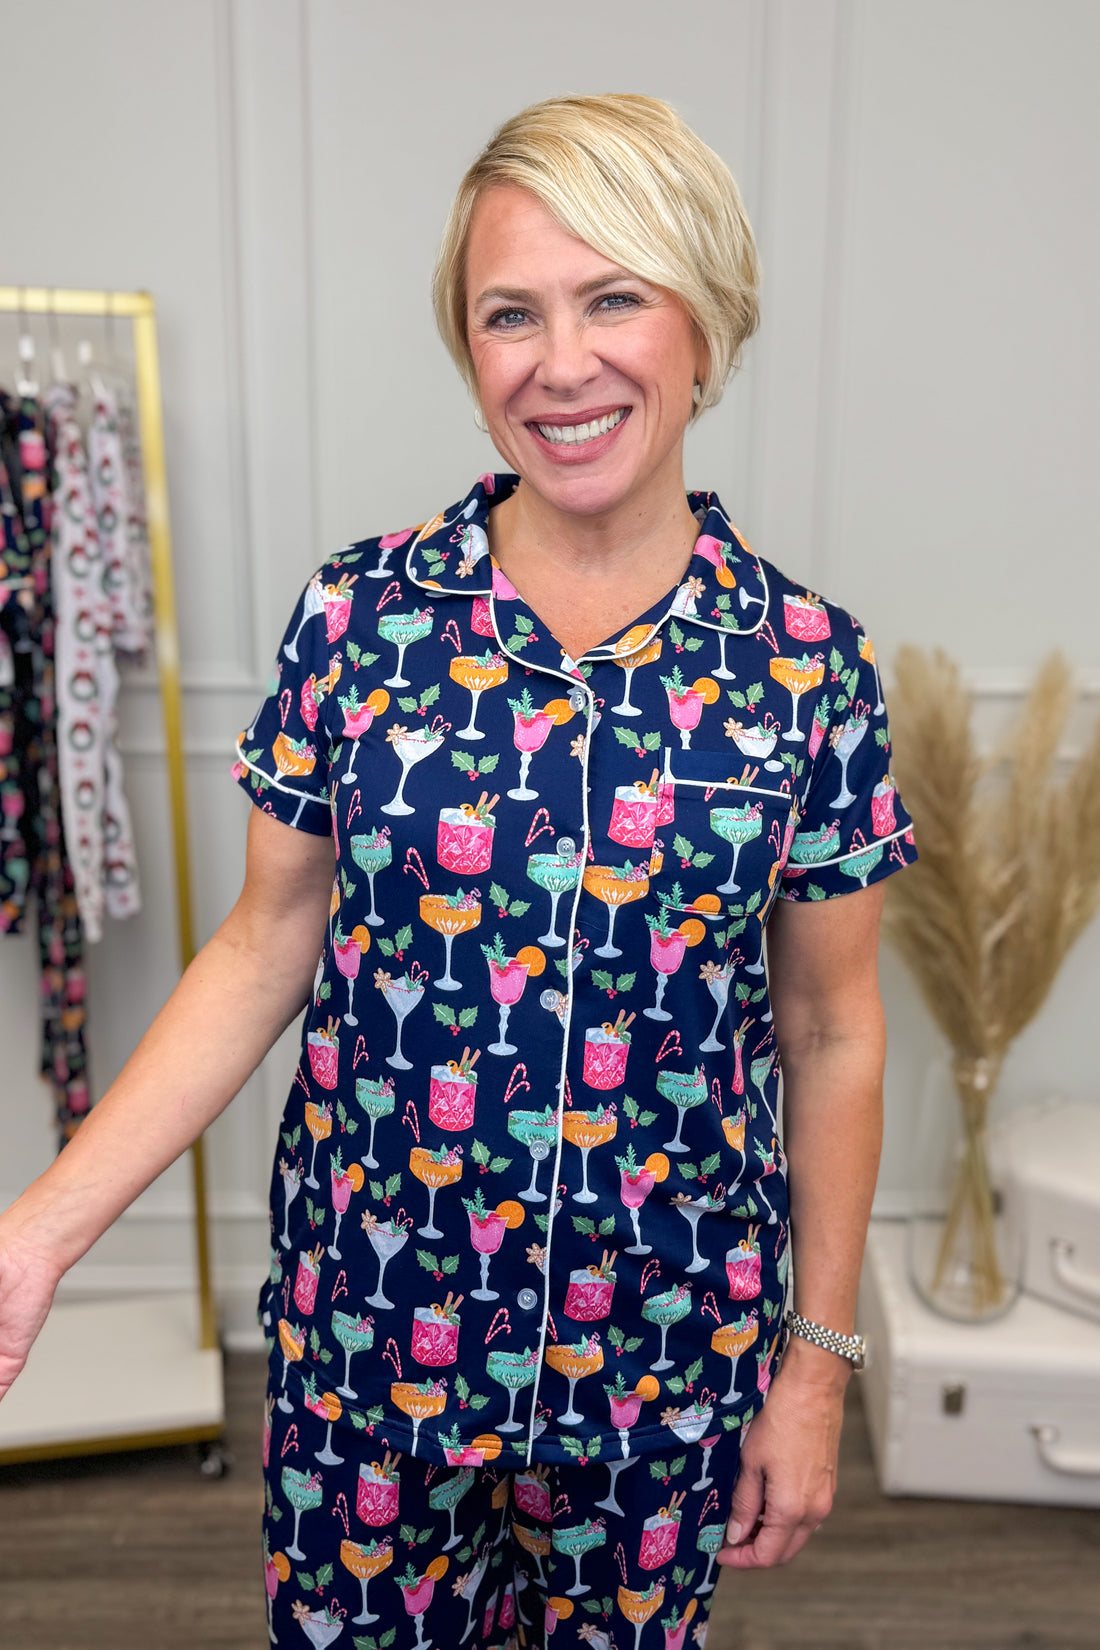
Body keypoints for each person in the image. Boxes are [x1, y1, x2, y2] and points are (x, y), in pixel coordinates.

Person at [0, 94, 916, 1645]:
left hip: (663, 1361)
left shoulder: (808, 666)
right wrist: (38, 1231)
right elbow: (260, 946)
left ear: (706, 318)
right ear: (469, 345)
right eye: (511, 314)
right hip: (373, 1339)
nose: (561, 362)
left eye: (613, 295)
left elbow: (832, 1032)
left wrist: (816, 1368)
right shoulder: (358, 620)